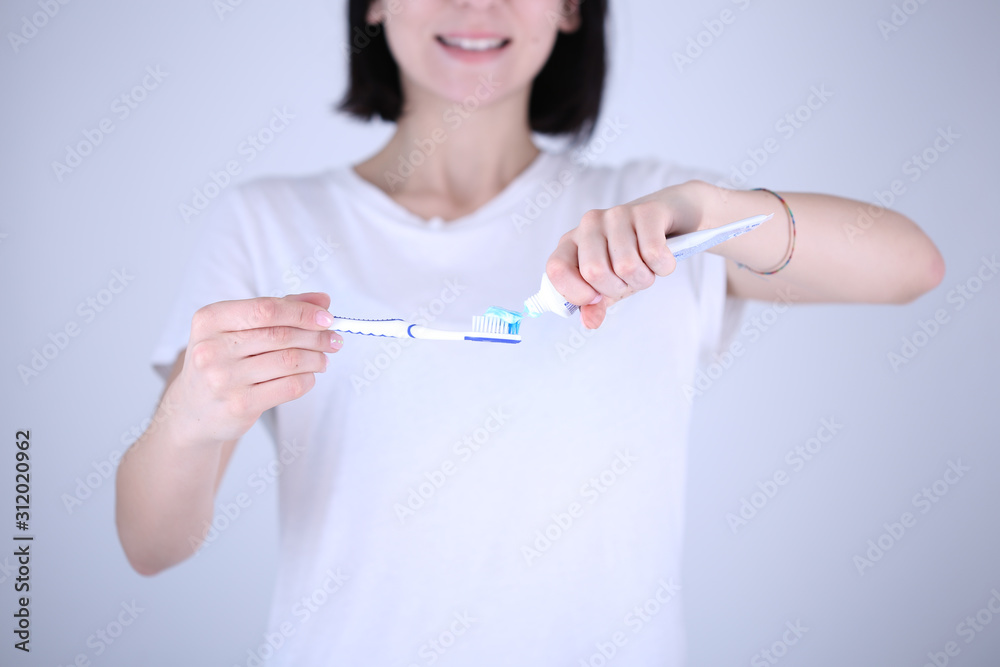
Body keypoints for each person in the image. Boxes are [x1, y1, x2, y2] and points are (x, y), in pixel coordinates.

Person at [115, 0, 944, 665]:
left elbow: (911, 266)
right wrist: (189, 416)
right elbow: (152, 543)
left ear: (573, 8)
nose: (479, 4)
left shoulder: (656, 218)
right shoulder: (267, 223)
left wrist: (712, 212)